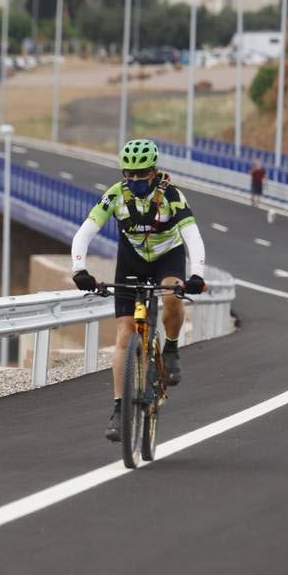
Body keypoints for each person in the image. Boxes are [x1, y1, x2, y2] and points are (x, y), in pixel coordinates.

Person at [70, 138, 207, 442]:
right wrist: (79, 270)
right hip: (130, 263)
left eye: (140, 174)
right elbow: (84, 233)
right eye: (128, 174)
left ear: (154, 171)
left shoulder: (171, 195)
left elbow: (193, 237)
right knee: (124, 334)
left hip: (166, 259)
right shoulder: (115, 196)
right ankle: (120, 409)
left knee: (172, 294)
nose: (134, 180)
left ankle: (171, 349)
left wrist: (196, 275)